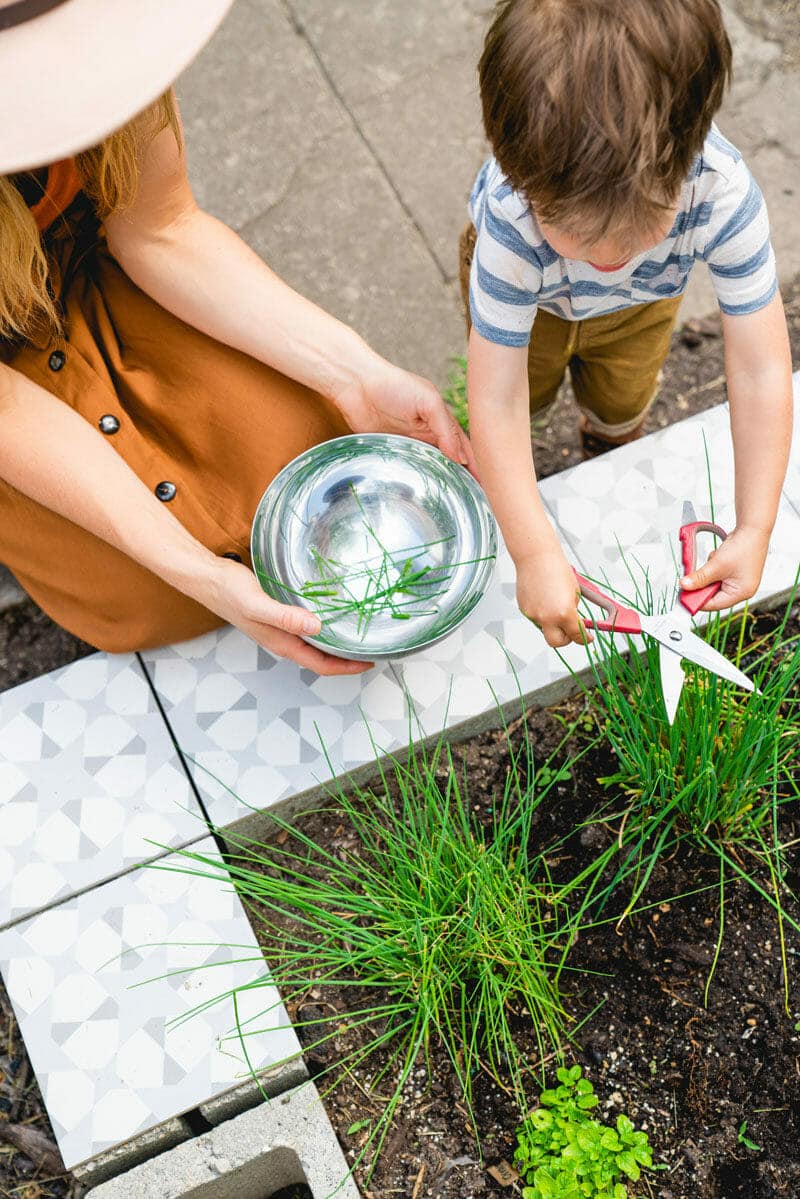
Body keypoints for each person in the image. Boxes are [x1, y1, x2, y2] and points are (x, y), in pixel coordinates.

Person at [0, 0, 472, 677]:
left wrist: (350, 372)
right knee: (147, 599)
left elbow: (160, 230)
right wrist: (192, 570)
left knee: (308, 447)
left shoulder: (108, 25)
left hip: (94, 276)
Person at [461, 0, 793, 650]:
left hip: (641, 310)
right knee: (517, 403)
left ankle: (606, 445)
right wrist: (531, 552)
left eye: (637, 233)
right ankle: (507, 480)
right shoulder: (510, 218)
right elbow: (494, 397)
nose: (606, 259)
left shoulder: (723, 193)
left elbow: (761, 368)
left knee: (622, 399)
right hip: (535, 311)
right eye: (572, 235)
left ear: (691, 149)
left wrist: (756, 527)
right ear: (520, 171)